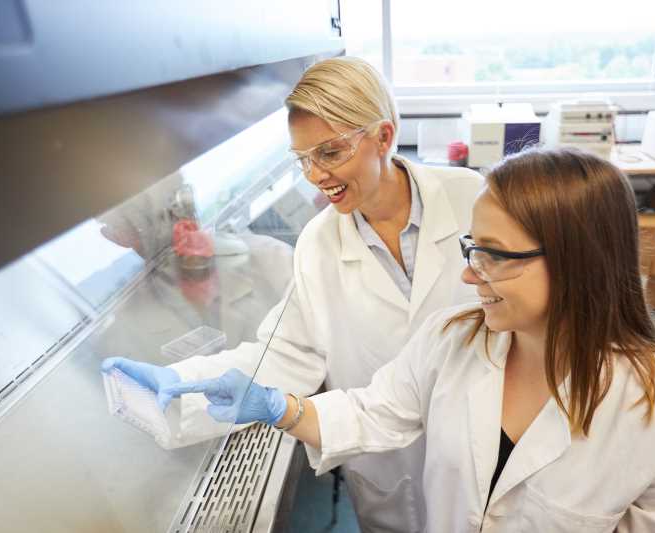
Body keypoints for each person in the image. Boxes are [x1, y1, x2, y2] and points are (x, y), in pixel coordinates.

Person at [165, 148, 655, 532]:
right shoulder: (453, 340)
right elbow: (375, 412)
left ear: (581, 262)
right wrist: (275, 407)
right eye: (471, 248)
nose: (468, 275)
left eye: (495, 255)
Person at [101, 57, 483, 532]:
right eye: (303, 158)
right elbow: (283, 353)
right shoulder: (320, 244)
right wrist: (177, 381)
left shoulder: (473, 200)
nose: (315, 175)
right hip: (390, 467)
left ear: (383, 137)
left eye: (330, 152)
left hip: (487, 447)